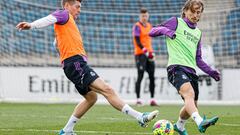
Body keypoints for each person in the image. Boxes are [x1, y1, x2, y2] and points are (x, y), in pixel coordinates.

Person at [16, 0, 159, 135]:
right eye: (77, 6)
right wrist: (31, 25)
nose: (79, 10)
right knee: (107, 89)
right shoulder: (64, 14)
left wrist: (60, 48)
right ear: (67, 5)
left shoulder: (67, 23)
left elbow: (56, 43)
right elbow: (49, 18)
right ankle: (140, 116)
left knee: (91, 98)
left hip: (72, 64)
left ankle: (67, 130)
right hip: (76, 63)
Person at [149, 0, 220, 134]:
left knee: (191, 105)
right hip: (176, 67)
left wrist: (211, 71)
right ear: (185, 11)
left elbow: (198, 59)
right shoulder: (176, 22)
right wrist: (166, 31)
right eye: (192, 11)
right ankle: (200, 122)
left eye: (198, 12)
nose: (195, 15)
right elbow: (152, 31)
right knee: (189, 94)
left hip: (191, 71)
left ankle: (179, 126)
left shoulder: (198, 33)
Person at [132, 8, 157, 106]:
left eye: (146, 16)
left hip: (149, 54)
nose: (144, 17)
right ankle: (138, 99)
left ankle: (152, 99)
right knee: (140, 75)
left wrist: (150, 52)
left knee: (152, 76)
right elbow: (137, 41)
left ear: (148, 16)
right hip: (140, 54)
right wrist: (145, 51)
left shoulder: (150, 26)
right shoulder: (137, 26)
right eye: (143, 16)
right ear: (140, 16)